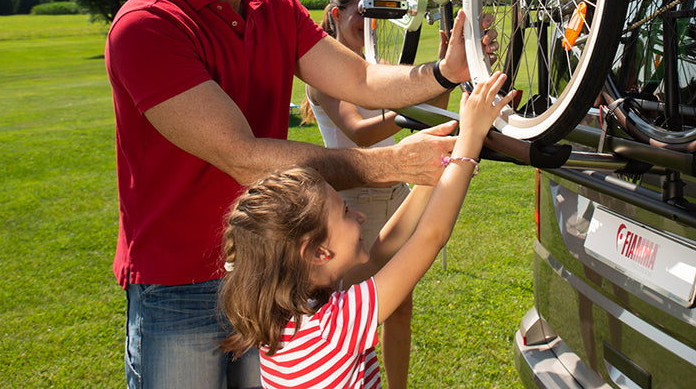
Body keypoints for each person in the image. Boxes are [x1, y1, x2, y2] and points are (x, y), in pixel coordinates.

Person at [105, 0, 490, 389]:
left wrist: (442, 73)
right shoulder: (148, 27)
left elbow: (357, 77)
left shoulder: (274, 6)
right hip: (178, 284)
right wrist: (389, 165)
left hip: (268, 272)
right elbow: (241, 155)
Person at [219, 71, 514, 389]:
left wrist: (438, 170)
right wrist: (469, 142)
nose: (358, 216)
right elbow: (431, 236)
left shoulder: (294, 315)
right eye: (344, 213)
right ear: (319, 252)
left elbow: (381, 253)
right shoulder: (332, 329)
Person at [302, 0, 442, 389]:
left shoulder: (374, 67)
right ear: (335, 15)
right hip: (353, 208)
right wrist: (407, 114)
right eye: (360, 12)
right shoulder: (325, 76)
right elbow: (360, 133)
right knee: (355, 323)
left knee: (399, 308)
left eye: (376, 14)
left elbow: (433, 117)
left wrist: (441, 84)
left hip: (396, 192)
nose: (369, 23)